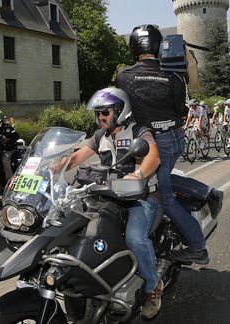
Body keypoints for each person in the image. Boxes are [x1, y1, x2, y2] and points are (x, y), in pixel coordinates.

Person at [116, 24, 224, 265]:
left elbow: (122, 107)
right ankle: (206, 192)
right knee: (159, 177)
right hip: (175, 137)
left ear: (133, 47)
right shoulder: (173, 76)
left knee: (164, 196)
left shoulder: (124, 76)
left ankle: (198, 247)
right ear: (158, 45)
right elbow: (181, 110)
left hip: (152, 143)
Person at [54, 87, 163, 319]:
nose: (100, 117)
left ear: (120, 111)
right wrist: (52, 168)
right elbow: (76, 157)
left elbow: (153, 156)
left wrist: (138, 174)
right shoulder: (100, 136)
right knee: (72, 226)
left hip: (141, 197)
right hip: (107, 195)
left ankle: (153, 288)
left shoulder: (139, 131)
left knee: (135, 238)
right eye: (98, 113)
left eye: (105, 112)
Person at [0, 109, 20, 182]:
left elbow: (16, 137)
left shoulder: (7, 128)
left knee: (5, 160)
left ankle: (10, 181)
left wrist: (7, 140)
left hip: (8, 149)